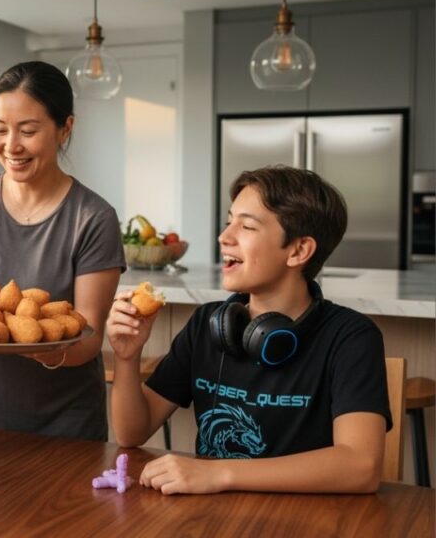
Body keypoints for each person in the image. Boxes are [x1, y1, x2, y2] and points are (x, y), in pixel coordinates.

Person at [107, 165, 390, 495]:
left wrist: (218, 474)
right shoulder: (208, 324)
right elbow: (131, 433)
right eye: (229, 221)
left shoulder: (351, 337)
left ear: (299, 250)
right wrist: (127, 358)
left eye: (247, 226)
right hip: (211, 517)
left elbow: (361, 466)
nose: (224, 237)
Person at [0, 61, 125, 440]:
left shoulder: (93, 218)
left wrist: (24, 340)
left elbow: (88, 339)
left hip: (64, 428)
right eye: (0, 129)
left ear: (65, 128)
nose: (11, 146)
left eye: (28, 130)